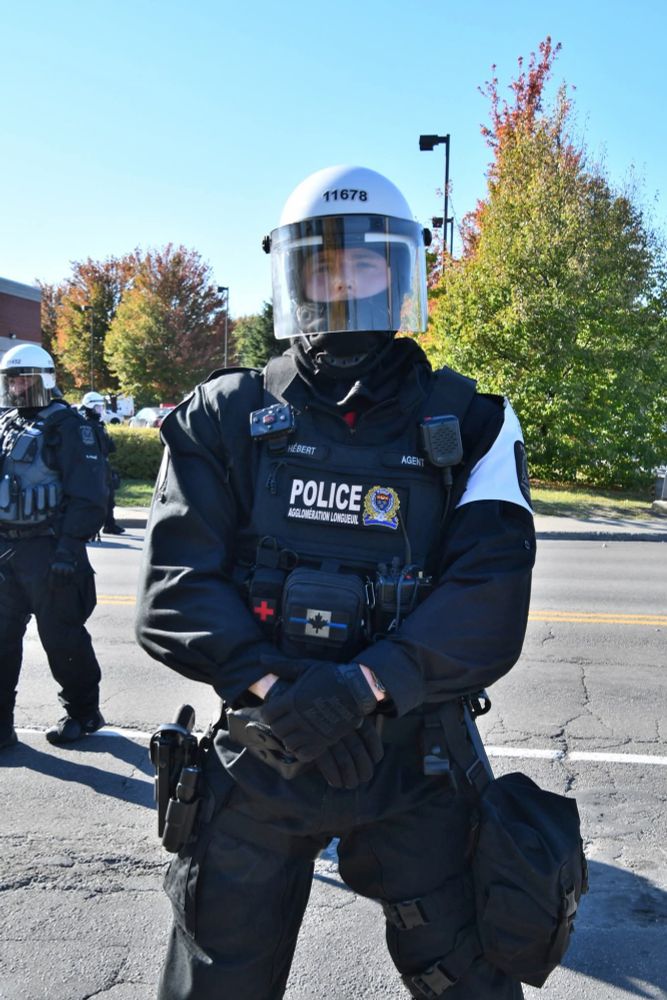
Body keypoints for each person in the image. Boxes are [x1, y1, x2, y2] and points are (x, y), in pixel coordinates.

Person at [136, 165, 536, 999]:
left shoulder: (473, 422)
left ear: (400, 274)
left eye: (365, 266)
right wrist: (285, 688)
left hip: (418, 761)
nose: (345, 284)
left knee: (467, 980)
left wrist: (360, 689)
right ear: (294, 278)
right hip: (263, 749)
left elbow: (488, 597)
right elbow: (176, 590)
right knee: (216, 983)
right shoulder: (222, 415)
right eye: (324, 267)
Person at [0, 344, 108, 750]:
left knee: (62, 640)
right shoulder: (7, 422)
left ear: (43, 379)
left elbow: (89, 496)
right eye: (11, 379)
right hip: (6, 553)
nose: (15, 387)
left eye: (23, 378)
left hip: (50, 551)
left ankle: (83, 713)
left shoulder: (68, 426)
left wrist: (69, 549)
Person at [78, 391, 125, 536]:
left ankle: (109, 524)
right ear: (90, 407)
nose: (100, 410)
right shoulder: (86, 426)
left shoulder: (99, 425)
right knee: (96, 497)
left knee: (109, 496)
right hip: (93, 466)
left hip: (103, 464)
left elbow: (109, 447)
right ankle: (89, 527)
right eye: (98, 407)